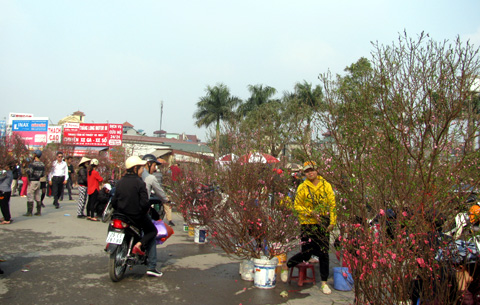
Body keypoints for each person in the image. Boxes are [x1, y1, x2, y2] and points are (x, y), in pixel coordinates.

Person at [286, 162, 337, 295]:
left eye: (312, 170)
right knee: (306, 252)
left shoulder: (326, 185)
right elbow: (297, 206)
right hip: (307, 222)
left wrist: (332, 221)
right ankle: (288, 265)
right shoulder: (302, 187)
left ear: (317, 170)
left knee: (324, 252)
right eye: (307, 171)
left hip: (323, 222)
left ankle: (324, 282)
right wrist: (310, 212)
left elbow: (332, 204)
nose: (310, 173)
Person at [111, 156, 157, 259]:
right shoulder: (140, 183)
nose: (142, 170)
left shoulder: (120, 182)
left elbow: (114, 201)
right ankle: (139, 244)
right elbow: (144, 203)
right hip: (135, 217)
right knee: (153, 231)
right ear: (135, 169)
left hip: (120, 215)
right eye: (141, 168)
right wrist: (143, 212)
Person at [142, 154, 170, 277]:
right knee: (152, 232)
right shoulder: (150, 178)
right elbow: (160, 193)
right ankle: (152, 266)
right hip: (141, 211)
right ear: (148, 164)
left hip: (123, 211)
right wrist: (166, 200)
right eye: (154, 165)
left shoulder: (129, 177)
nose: (155, 168)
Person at [24, 150, 45, 216]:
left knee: (30, 195)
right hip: (38, 181)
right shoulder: (42, 164)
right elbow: (42, 174)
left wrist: (25, 168)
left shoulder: (33, 164)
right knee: (37, 196)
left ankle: (29, 212)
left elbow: (30, 172)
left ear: (35, 155)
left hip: (32, 181)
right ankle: (38, 211)